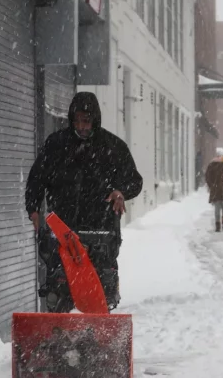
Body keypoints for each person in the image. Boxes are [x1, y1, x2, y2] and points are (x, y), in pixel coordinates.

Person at [26, 92, 143, 312]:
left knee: (100, 294)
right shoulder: (56, 145)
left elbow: (135, 181)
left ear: (95, 120)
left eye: (86, 121)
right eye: (77, 121)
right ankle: (57, 334)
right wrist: (33, 208)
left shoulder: (113, 147)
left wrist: (121, 191)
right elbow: (36, 179)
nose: (81, 126)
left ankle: (99, 333)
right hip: (62, 232)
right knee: (58, 292)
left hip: (101, 232)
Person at [204, 148, 223, 232]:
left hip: (215, 189)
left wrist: (211, 185)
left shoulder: (212, 165)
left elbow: (207, 176)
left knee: (217, 207)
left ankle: (217, 224)